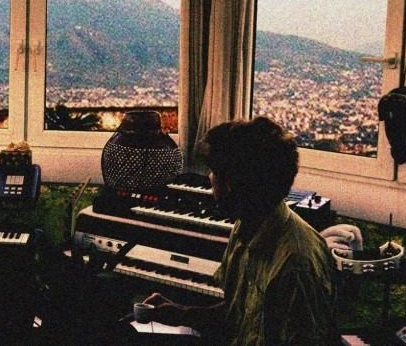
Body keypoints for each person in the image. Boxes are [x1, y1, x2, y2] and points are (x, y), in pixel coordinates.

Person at [141, 117, 340, 345]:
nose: (210, 179)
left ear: (230, 185)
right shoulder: (247, 225)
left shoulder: (295, 266)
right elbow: (238, 311)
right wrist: (182, 313)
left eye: (213, 172)